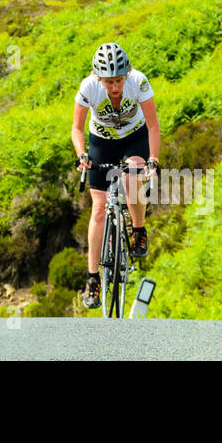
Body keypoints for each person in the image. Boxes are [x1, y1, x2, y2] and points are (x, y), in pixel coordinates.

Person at [70, 42, 161, 310]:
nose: (115, 87)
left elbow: (153, 125)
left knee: (133, 177)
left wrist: (153, 158)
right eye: (109, 82)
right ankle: (93, 279)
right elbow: (76, 128)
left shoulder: (138, 81)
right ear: (99, 79)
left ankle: (138, 229)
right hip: (102, 142)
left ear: (127, 75)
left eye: (119, 80)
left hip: (135, 138)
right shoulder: (89, 87)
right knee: (98, 209)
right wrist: (82, 154)